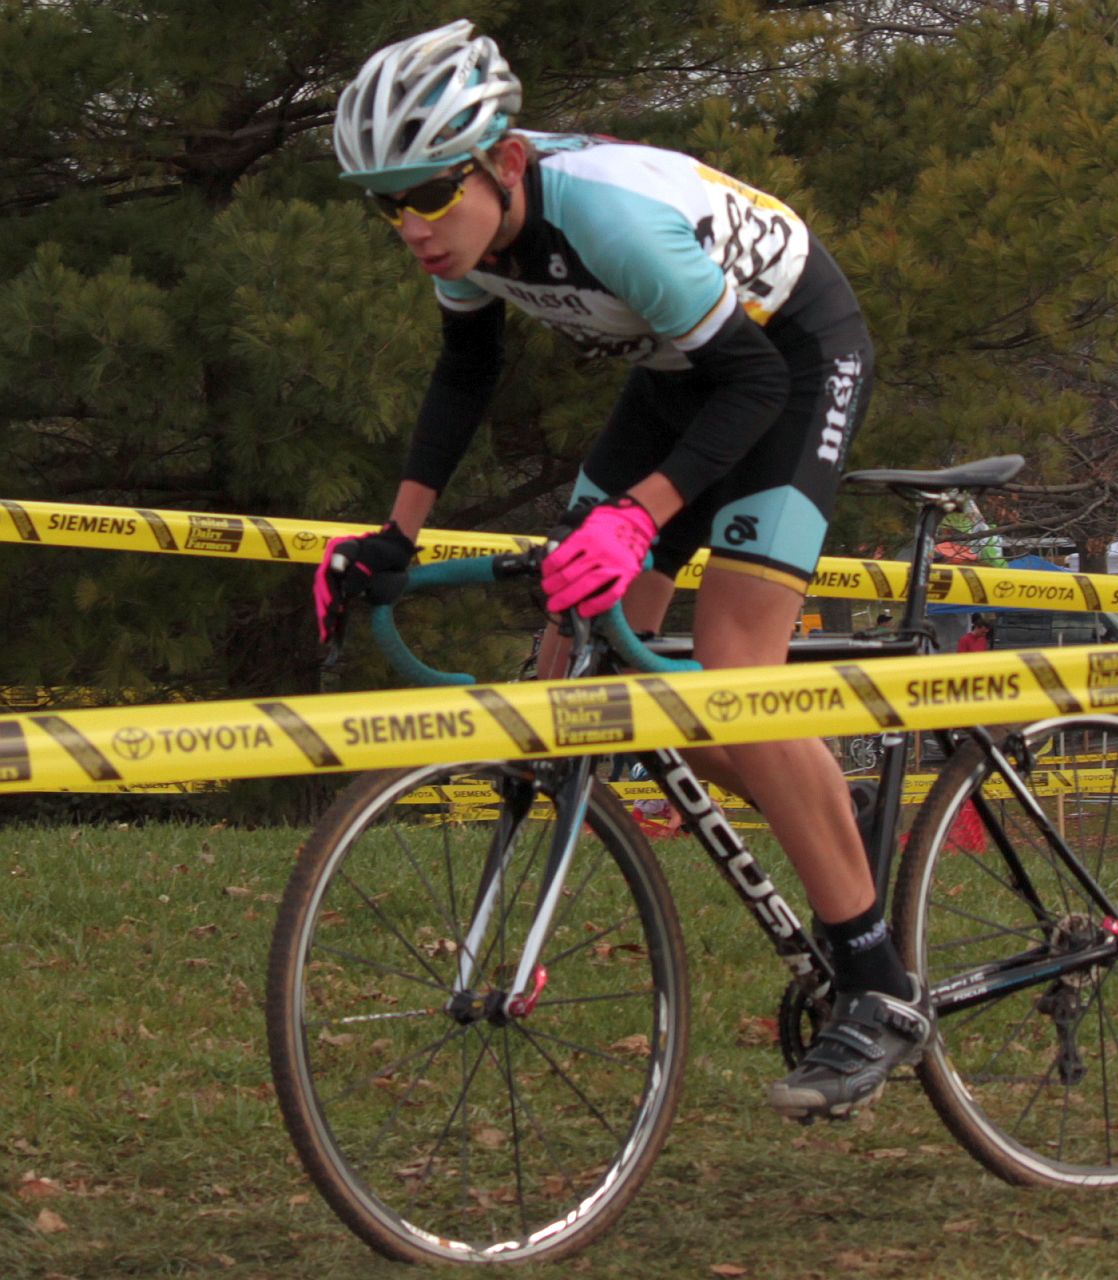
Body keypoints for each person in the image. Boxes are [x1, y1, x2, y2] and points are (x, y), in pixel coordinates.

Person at [313, 20, 930, 1121]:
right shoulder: (467, 235)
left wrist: (641, 516)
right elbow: (466, 369)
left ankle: (880, 990)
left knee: (739, 669)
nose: (409, 227)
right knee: (569, 670)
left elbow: (748, 386)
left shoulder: (603, 214)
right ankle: (825, 799)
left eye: (425, 193)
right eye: (385, 204)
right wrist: (397, 534)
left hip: (783, 360)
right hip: (677, 368)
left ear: (501, 162)